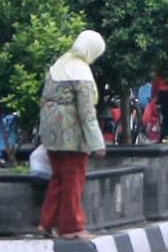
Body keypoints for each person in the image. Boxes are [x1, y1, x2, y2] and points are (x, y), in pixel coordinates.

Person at [37, 30, 107, 240]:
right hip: (71, 132)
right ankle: (72, 227)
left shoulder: (60, 64)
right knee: (73, 178)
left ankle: (46, 223)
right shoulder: (80, 71)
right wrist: (97, 143)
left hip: (50, 129)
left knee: (58, 177)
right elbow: (86, 112)